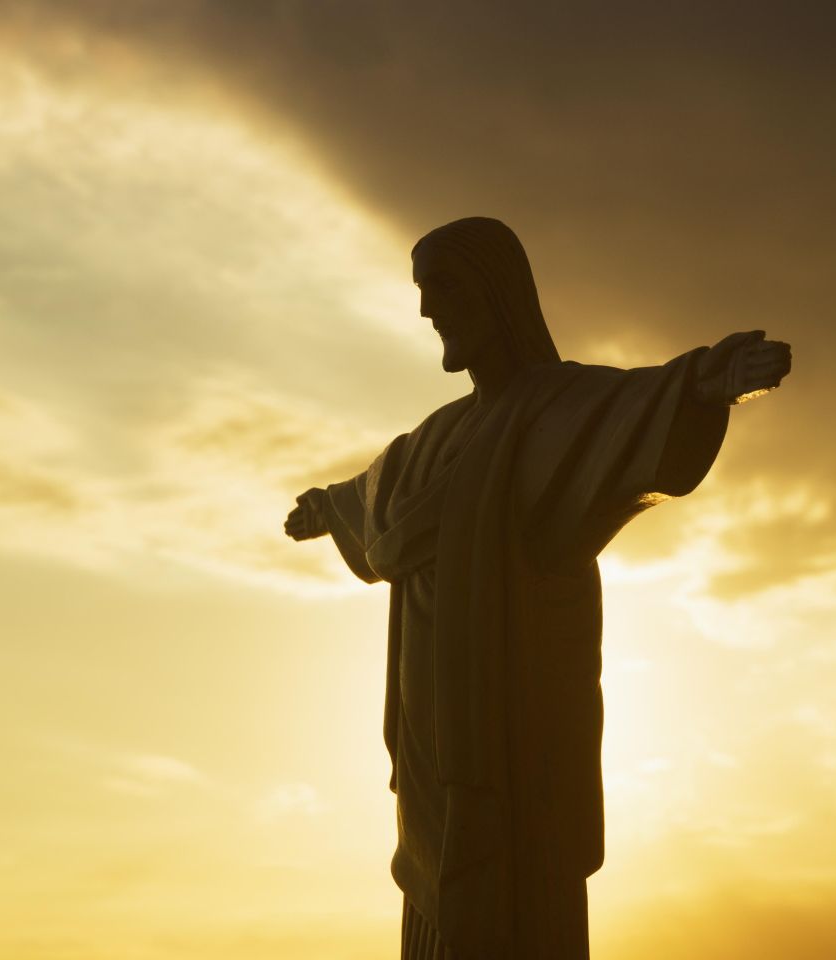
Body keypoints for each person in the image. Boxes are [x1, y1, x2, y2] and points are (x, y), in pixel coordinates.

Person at [284, 217, 791, 959]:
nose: (428, 310)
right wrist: (327, 507)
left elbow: (635, 408)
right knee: (436, 913)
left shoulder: (555, 408)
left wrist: (704, 383)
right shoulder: (432, 440)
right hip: (431, 753)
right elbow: (372, 500)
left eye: (445, 288)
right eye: (422, 292)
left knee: (512, 913)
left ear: (498, 293)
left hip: (510, 750)